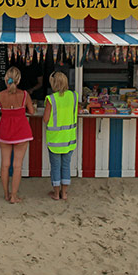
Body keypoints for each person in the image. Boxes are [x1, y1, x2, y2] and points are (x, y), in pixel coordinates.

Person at [0, 66, 35, 203]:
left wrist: (1, 112)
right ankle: (14, 196)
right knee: (17, 166)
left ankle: (6, 194)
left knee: (5, 165)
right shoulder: (25, 95)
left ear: (6, 79)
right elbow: (32, 111)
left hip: (5, 132)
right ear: (19, 80)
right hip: (22, 131)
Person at [43, 71, 78, 201]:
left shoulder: (51, 99)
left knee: (56, 167)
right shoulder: (74, 96)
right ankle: (65, 193)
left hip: (55, 141)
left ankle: (56, 194)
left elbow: (46, 119)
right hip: (69, 138)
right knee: (66, 166)